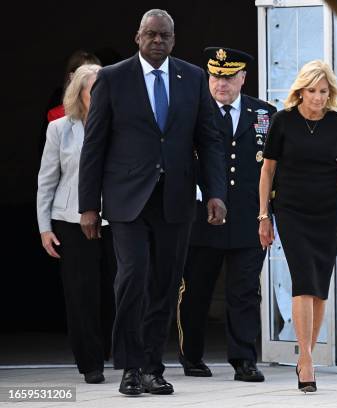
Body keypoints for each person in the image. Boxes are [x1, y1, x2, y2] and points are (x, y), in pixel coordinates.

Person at [78, 9, 227, 396]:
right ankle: (129, 367)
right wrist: (88, 205)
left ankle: (151, 367)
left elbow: (209, 139)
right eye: (151, 35)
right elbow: (94, 146)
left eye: (164, 36)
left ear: (174, 40)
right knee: (132, 278)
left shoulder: (193, 79)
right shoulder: (112, 79)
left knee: (165, 284)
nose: (157, 41)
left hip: (176, 199)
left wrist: (215, 193)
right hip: (127, 200)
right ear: (137, 37)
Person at [258, 60, 337, 393]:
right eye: (312, 91)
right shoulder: (282, 121)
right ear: (300, 91)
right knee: (304, 279)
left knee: (319, 286)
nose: (318, 98)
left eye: (323, 91)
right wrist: (264, 215)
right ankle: (305, 358)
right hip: (291, 210)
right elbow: (267, 171)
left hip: (328, 212)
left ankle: (308, 354)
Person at [177, 47, 276, 382]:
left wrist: (269, 214)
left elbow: (276, 170)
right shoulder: (191, 112)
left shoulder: (264, 114)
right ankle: (191, 356)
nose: (221, 82)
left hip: (249, 218)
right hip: (202, 219)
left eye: (229, 76)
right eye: (216, 75)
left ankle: (244, 359)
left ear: (243, 78)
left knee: (245, 291)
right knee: (196, 291)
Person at [37, 64, 116, 384]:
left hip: (115, 219)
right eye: (92, 90)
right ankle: (90, 362)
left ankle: (117, 352)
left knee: (116, 290)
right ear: (78, 94)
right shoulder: (60, 129)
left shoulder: (120, 126)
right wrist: (44, 228)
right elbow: (46, 180)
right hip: (70, 220)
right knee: (81, 293)